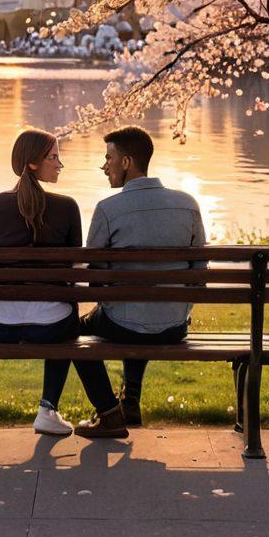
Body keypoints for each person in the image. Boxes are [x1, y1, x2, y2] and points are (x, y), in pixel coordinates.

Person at [73, 126, 205, 434]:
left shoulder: (108, 208)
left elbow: (95, 275)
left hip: (122, 325)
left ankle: (109, 412)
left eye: (109, 158)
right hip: (173, 327)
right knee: (142, 310)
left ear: (126, 162)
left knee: (74, 334)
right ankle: (130, 401)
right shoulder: (188, 204)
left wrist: (114, 297)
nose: (103, 165)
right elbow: (199, 271)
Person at [0, 128, 84, 437]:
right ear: (34, 163)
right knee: (66, 317)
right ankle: (47, 409)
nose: (60, 164)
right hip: (52, 327)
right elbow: (75, 272)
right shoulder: (67, 206)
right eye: (54, 157)